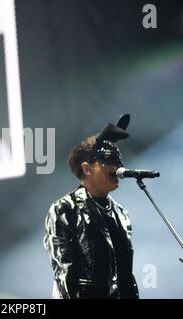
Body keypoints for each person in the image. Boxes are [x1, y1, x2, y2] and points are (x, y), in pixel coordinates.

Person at [44, 114, 139, 299]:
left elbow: (126, 275)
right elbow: (65, 274)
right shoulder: (64, 209)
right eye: (109, 161)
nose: (118, 166)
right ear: (87, 169)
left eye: (118, 160)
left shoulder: (121, 214)